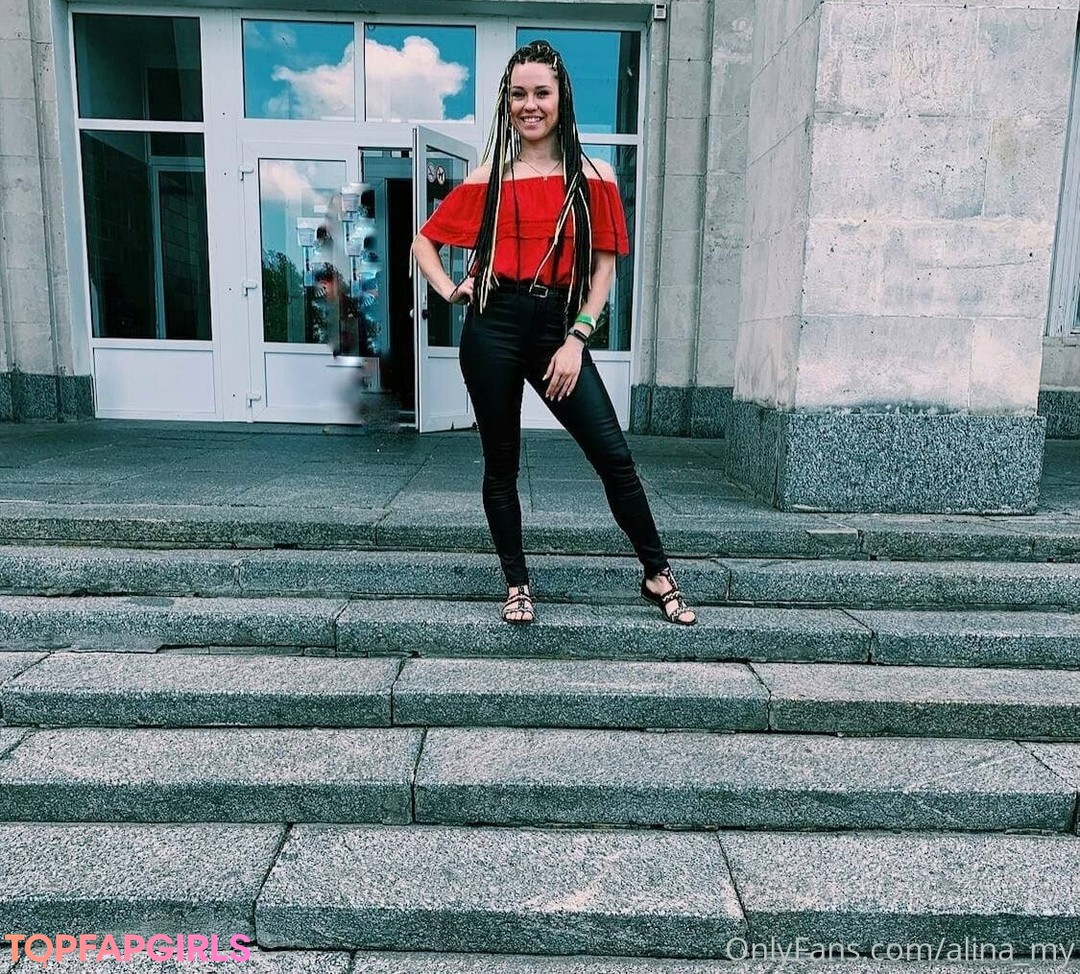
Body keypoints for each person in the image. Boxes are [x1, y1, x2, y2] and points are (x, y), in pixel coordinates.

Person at [411, 39, 695, 627]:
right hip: (492, 325)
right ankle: (516, 582)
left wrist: (577, 338)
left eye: (541, 92)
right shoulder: (489, 177)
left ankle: (656, 572)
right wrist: (452, 290)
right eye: (518, 94)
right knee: (501, 464)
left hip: (558, 329)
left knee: (613, 455)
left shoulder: (594, 176)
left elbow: (605, 267)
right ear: (506, 101)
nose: (530, 105)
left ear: (562, 97)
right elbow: (423, 243)